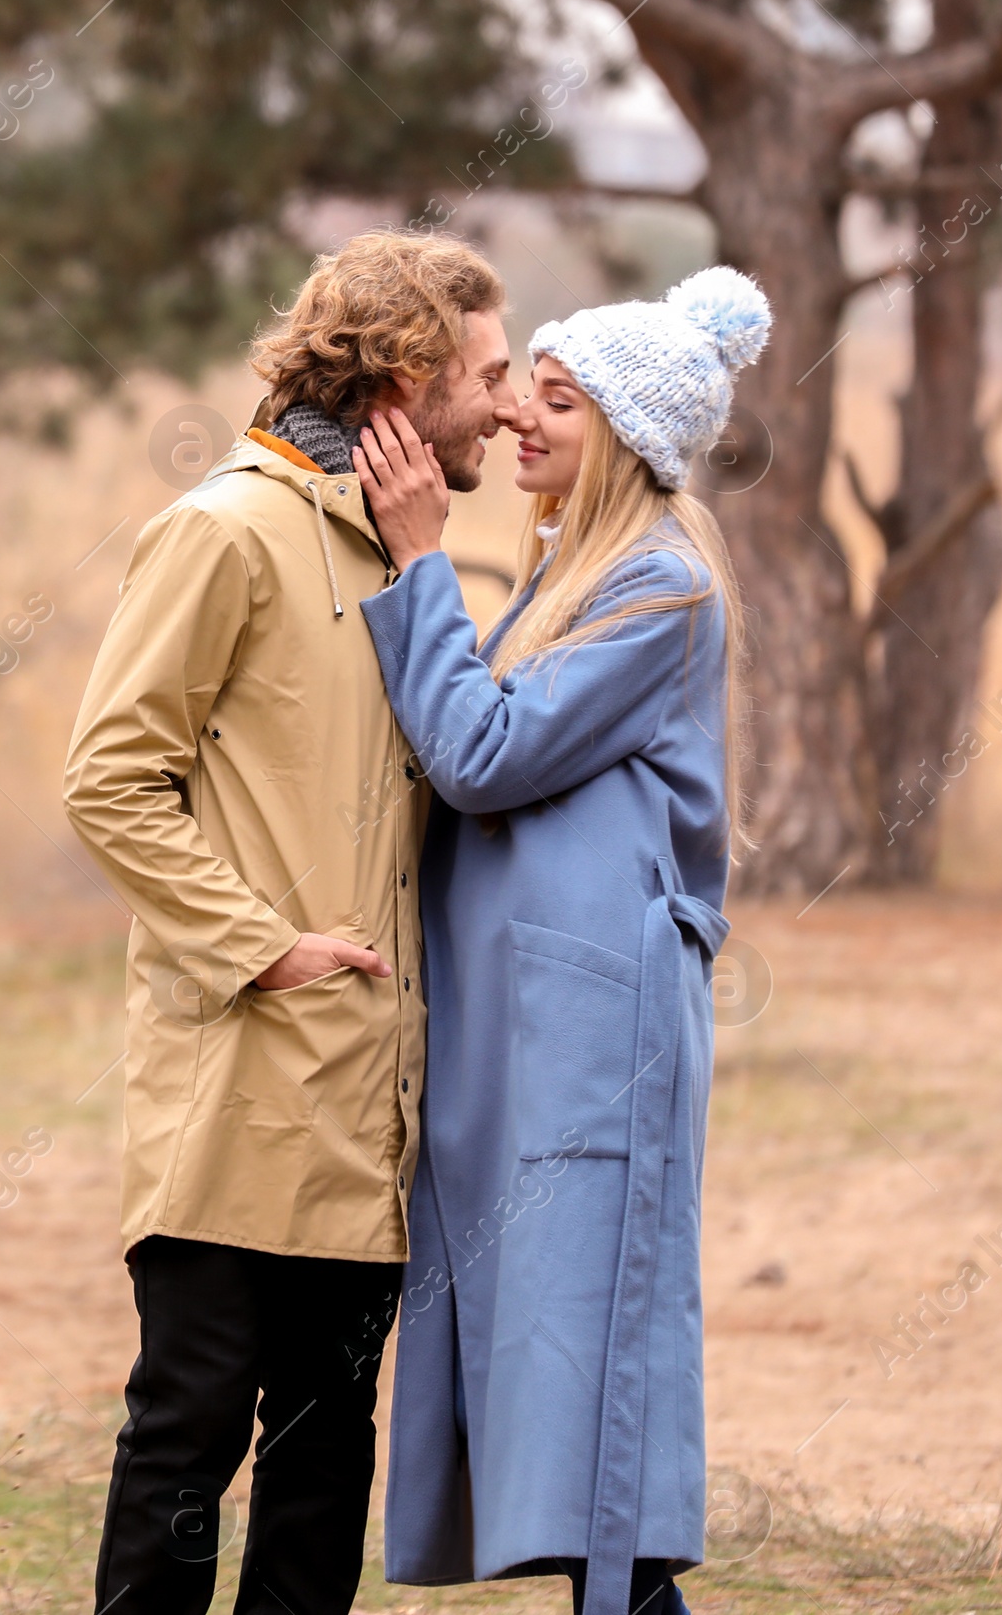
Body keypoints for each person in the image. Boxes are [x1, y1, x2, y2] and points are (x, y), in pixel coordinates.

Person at [62, 229, 516, 1615]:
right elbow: (109, 778)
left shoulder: (415, 554)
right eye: (488, 373)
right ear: (413, 372)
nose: (505, 402)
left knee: (325, 1467)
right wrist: (265, 944)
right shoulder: (223, 530)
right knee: (186, 1441)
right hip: (237, 1090)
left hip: (371, 1111)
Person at [352, 266, 772, 1615]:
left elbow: (479, 750)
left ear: (629, 436)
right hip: (527, 1028)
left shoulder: (659, 590)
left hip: (597, 1036)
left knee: (597, 1375)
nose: (523, 421)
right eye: (527, 392)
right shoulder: (566, 576)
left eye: (559, 401)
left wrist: (419, 559)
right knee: (547, 1349)